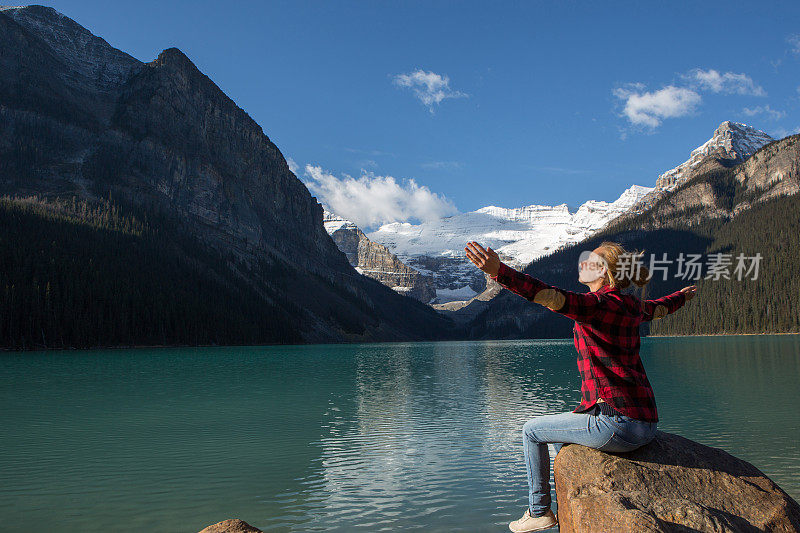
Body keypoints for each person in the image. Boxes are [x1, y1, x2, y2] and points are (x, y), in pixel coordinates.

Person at [464, 241, 697, 533]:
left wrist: (500, 272)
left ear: (604, 271)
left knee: (531, 431)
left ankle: (539, 511)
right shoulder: (631, 306)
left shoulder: (595, 306)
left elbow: (546, 295)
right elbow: (658, 309)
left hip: (618, 423)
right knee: (566, 439)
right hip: (646, 424)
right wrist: (681, 297)